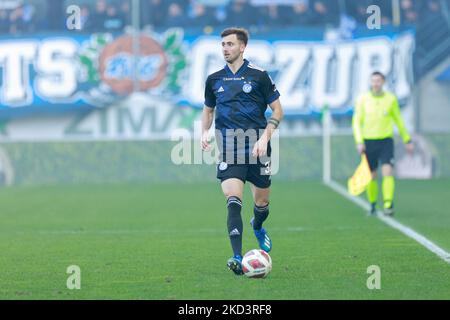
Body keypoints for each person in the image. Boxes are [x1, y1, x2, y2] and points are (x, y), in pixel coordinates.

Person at [201, 27, 283, 275]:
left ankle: (258, 226)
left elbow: (278, 111)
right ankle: (237, 256)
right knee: (233, 201)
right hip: (229, 148)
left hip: (259, 148)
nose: (225, 48)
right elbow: (208, 110)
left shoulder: (259, 76)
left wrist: (264, 137)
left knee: (262, 203)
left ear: (242, 47)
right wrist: (204, 132)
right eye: (223, 45)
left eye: (230, 44)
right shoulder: (214, 79)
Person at [352, 71, 414, 216]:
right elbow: (356, 122)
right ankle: (372, 204)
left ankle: (388, 204)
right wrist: (359, 141)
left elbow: (398, 120)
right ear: (370, 82)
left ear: (383, 82)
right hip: (369, 142)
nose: (376, 83)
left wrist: (407, 140)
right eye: (373, 80)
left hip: (386, 141)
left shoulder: (390, 99)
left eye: (378, 80)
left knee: (387, 171)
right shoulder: (363, 99)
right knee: (371, 175)